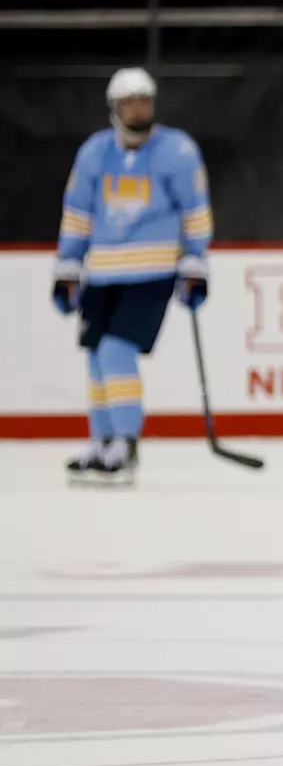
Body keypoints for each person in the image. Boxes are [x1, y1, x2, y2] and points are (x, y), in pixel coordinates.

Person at [52, 68, 212, 487]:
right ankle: (101, 441)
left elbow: (195, 210)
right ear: (114, 108)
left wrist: (195, 262)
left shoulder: (177, 150)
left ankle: (125, 444)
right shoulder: (94, 153)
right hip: (102, 272)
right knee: (96, 357)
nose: (139, 109)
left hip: (152, 270)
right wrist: (68, 265)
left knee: (116, 351)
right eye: (130, 102)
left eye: (145, 101)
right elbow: (78, 211)